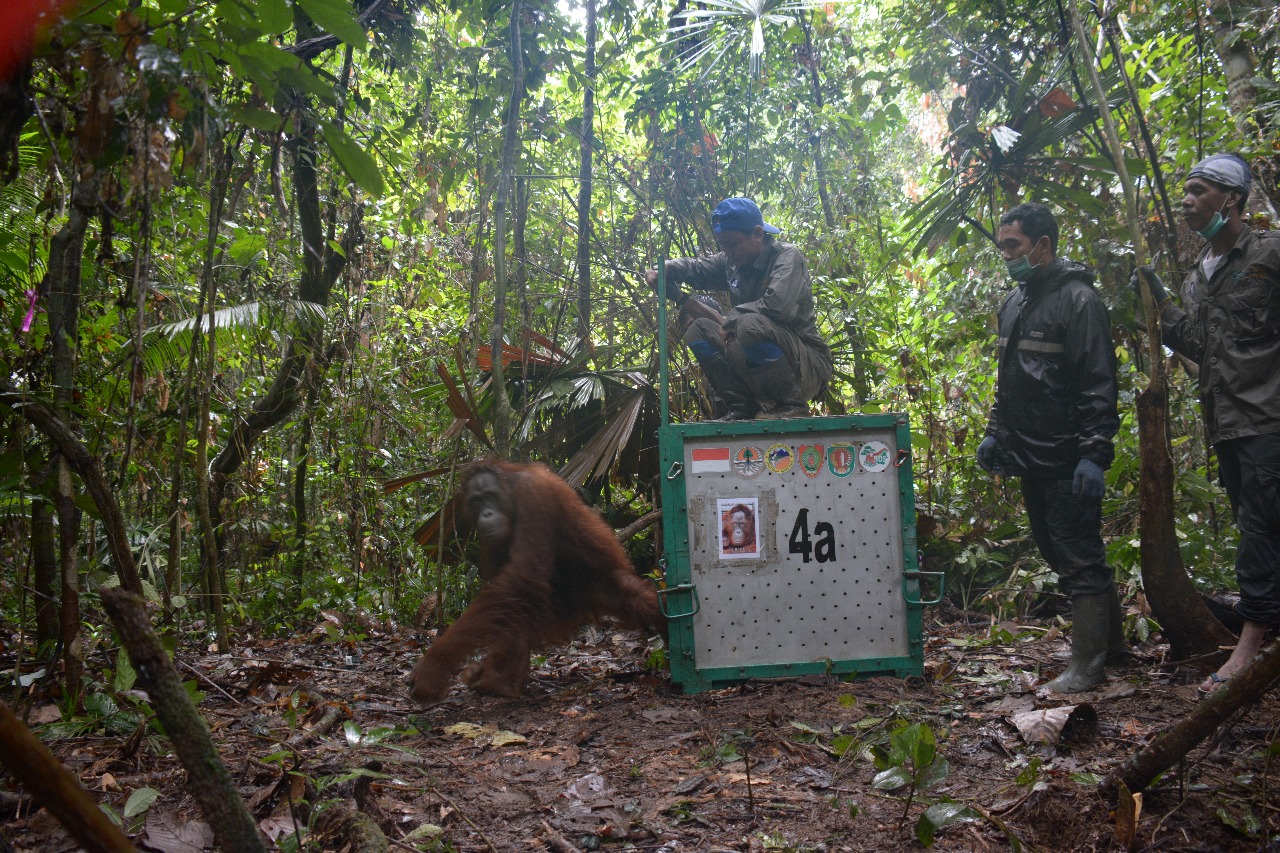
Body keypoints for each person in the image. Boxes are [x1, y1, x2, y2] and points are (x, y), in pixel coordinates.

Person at [1131, 153, 1280, 695]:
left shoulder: (1269, 255)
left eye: (1198, 191)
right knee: (1257, 524)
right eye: (1185, 192)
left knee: (1261, 532)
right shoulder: (1200, 275)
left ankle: (1251, 643)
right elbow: (1196, 343)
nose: (1186, 201)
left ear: (1232, 199)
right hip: (1230, 425)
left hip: (1270, 419)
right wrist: (1163, 301)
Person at [978, 202, 1124, 693]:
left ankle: (1088, 663)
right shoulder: (1016, 302)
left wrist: (1094, 452)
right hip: (1029, 454)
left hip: (1067, 455)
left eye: (1013, 246)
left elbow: (1098, 383)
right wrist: (996, 430)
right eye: (1002, 247)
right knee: (1057, 550)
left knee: (1079, 553)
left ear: (1042, 245)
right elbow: (1008, 381)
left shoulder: (1080, 301)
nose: (1006, 256)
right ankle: (1116, 647)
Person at [645, 198, 832, 420]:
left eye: (732, 244)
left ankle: (791, 405)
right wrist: (666, 268)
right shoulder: (731, 261)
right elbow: (698, 268)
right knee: (699, 330)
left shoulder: (787, 256)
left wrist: (733, 317)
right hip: (756, 367)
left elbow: (778, 306)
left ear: (758, 234)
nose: (727, 251)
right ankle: (741, 406)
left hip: (805, 367)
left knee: (748, 324)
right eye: (722, 244)